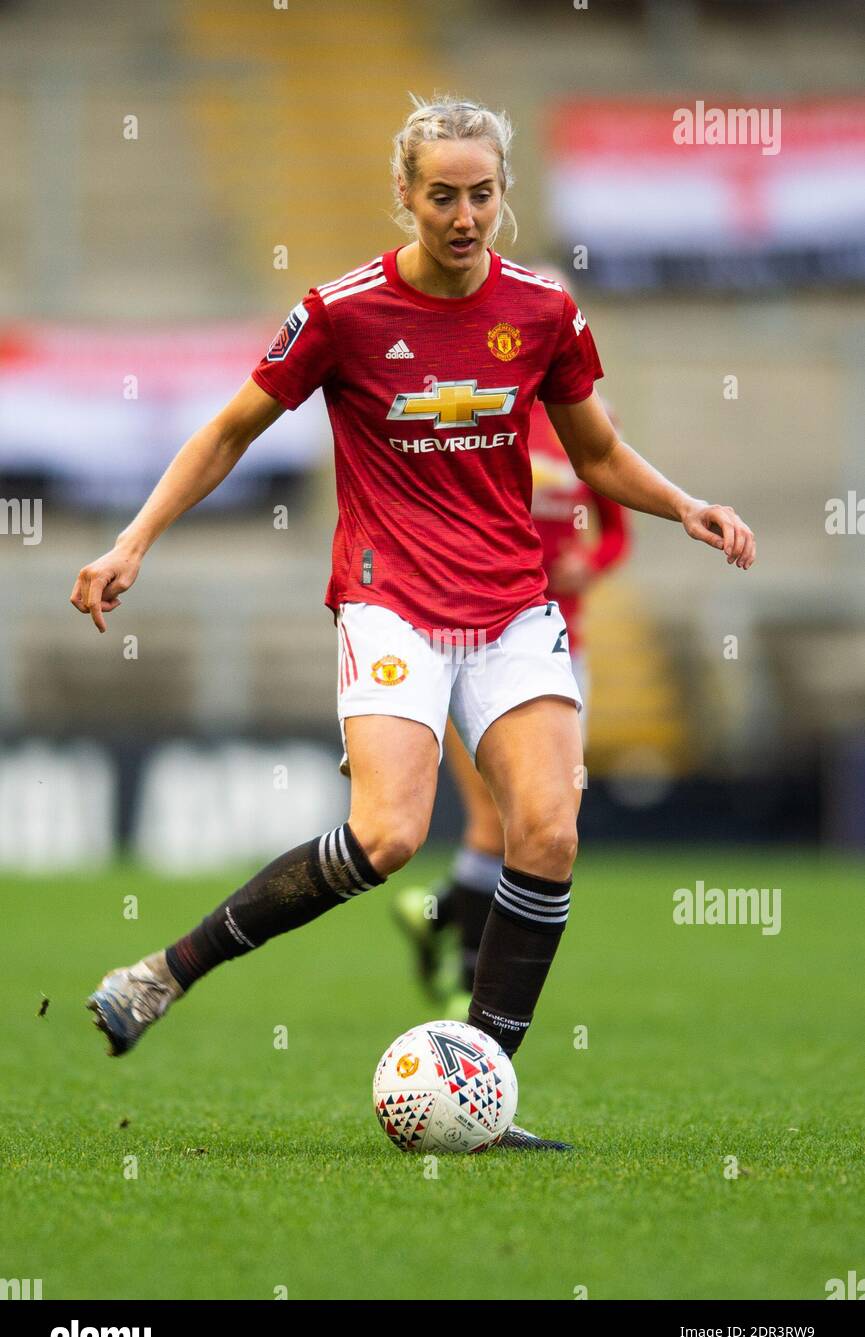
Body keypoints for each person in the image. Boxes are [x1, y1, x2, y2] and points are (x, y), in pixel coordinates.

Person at [70, 95, 755, 1151]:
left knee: (549, 830)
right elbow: (227, 432)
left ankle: (478, 1093)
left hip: (512, 604)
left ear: (501, 193)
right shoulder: (342, 313)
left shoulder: (541, 311)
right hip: (391, 598)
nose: (465, 213)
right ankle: (165, 972)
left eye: (482, 193)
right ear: (405, 195)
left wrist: (687, 504)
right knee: (389, 836)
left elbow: (597, 454)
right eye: (443, 194)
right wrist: (131, 542)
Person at [393, 368, 631, 1018]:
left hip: (563, 647)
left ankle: (442, 915)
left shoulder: (589, 421)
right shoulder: (480, 418)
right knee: (496, 820)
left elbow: (615, 528)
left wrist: (594, 563)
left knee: (543, 826)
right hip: (478, 644)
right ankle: (469, 988)